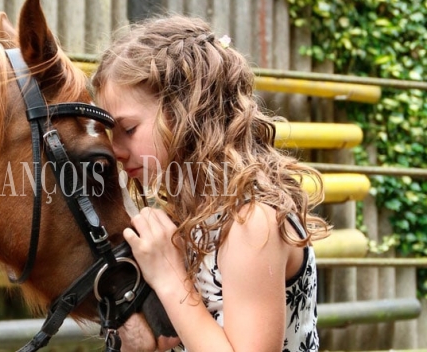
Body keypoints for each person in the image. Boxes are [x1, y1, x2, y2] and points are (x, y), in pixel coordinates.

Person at [91, 15, 331, 352]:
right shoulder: (188, 213)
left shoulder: (251, 220)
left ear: (189, 113)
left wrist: (169, 277)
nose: (115, 149)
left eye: (128, 129)